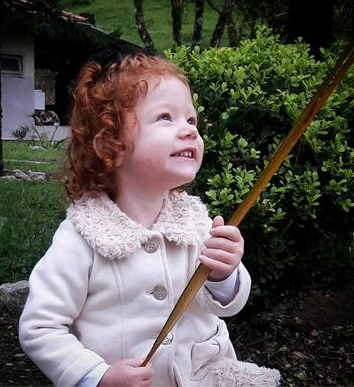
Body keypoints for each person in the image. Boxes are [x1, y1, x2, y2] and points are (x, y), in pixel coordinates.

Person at [19, 52, 280, 387]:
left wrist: (225, 275)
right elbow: (40, 327)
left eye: (191, 120)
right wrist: (96, 376)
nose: (189, 131)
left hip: (204, 377)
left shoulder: (196, 223)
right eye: (165, 117)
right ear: (111, 144)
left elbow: (228, 306)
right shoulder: (81, 237)